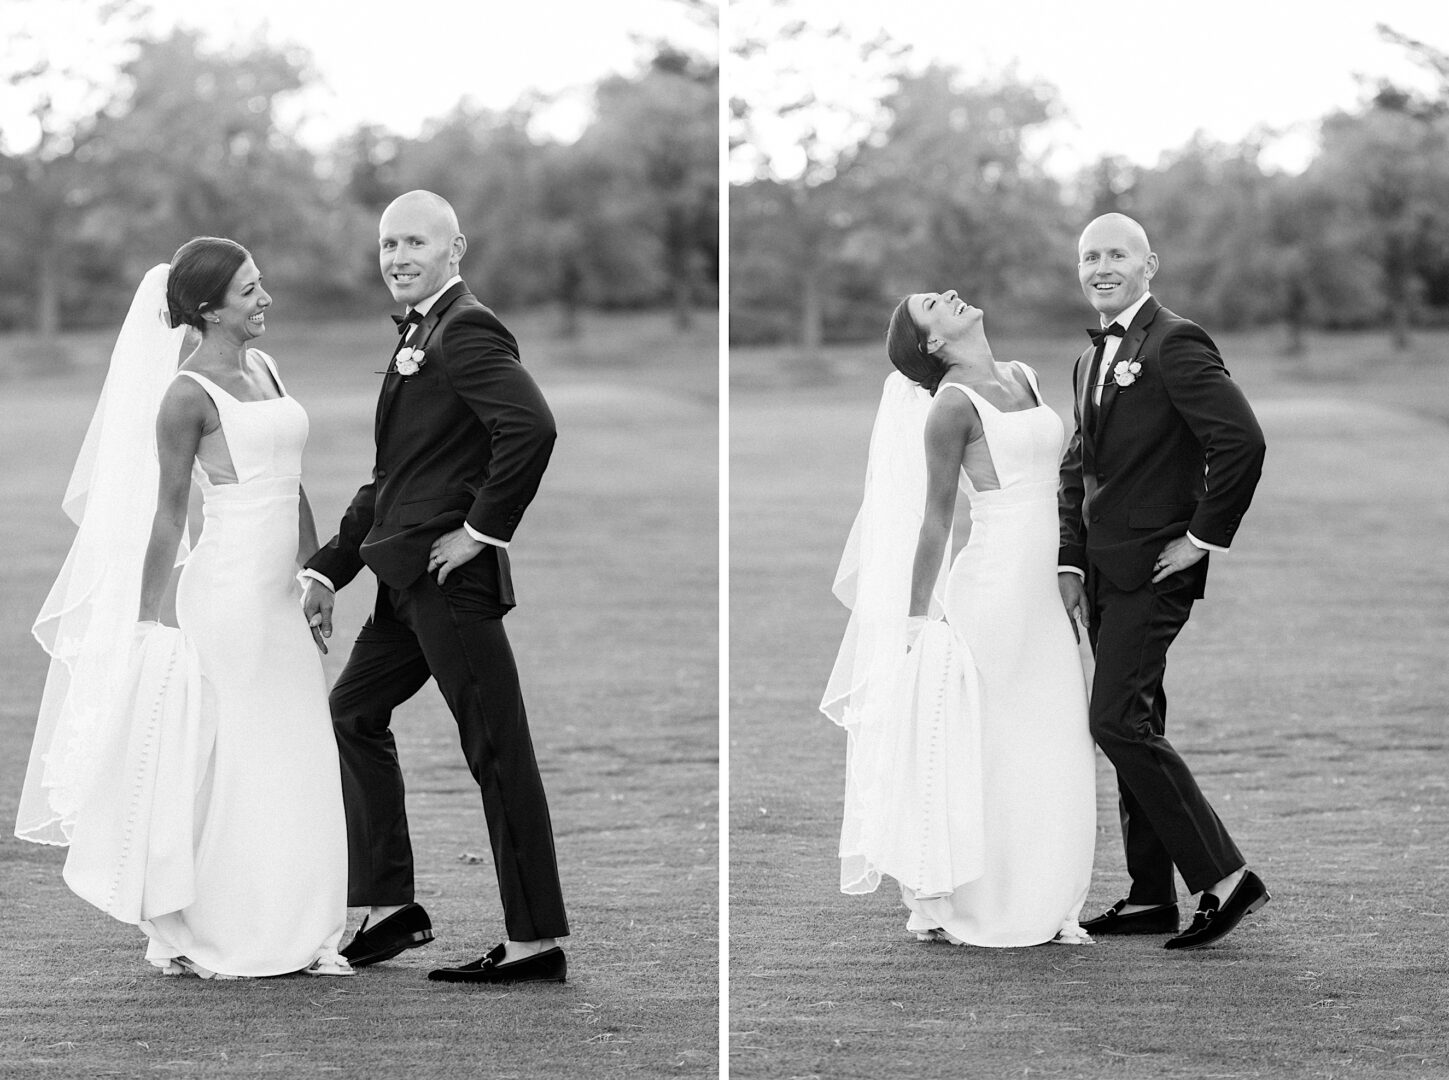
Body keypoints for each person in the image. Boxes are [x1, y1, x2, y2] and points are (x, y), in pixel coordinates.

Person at [16, 239, 351, 979]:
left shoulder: (264, 367)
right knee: (238, 762)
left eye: (262, 285)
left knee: (296, 754)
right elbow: (168, 515)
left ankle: (301, 919)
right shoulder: (185, 394)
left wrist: (315, 571)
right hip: (226, 597)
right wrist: (143, 618)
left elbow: (288, 482)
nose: (265, 299)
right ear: (207, 309)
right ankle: (223, 925)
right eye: (249, 291)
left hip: (278, 595)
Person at [300, 190, 569, 985]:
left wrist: (482, 530)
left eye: (414, 242)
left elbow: (531, 425)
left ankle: (533, 942)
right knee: (351, 712)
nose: (397, 257)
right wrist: (327, 568)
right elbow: (394, 478)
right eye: (387, 245)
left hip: (449, 583)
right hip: (400, 581)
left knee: (496, 749)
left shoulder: (466, 328)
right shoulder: (421, 333)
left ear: (455, 249)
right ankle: (389, 909)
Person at [822, 289, 1096, 947]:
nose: (948, 297)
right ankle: (980, 897)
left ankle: (1050, 894)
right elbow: (936, 519)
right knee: (997, 746)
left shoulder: (1022, 376)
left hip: (1043, 590)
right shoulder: (949, 406)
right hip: (994, 590)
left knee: (1056, 738)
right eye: (931, 306)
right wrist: (915, 624)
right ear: (932, 343)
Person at [1058, 213, 1269, 950]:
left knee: (1114, 722)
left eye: (1116, 253)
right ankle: (1150, 897)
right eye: (1089, 256)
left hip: (1155, 568)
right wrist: (1069, 562)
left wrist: (1200, 538)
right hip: (1104, 574)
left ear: (1150, 264)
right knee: (1135, 724)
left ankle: (1225, 878)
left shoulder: (1174, 341)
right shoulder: (1088, 362)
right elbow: (1077, 469)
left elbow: (1239, 440)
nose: (1101, 266)